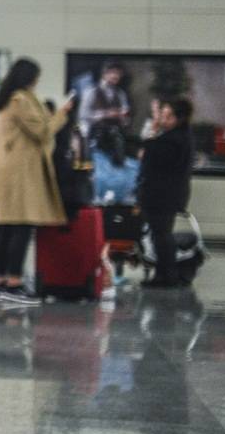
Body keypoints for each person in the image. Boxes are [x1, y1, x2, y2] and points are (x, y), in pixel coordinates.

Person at [0, 58, 71, 307]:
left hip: (6, 173)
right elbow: (42, 132)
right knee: (21, 227)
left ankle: (0, 279)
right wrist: (61, 115)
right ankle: (14, 282)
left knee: (5, 229)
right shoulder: (21, 100)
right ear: (30, 78)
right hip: (20, 175)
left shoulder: (4, 101)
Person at [139, 97, 195, 287]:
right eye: (162, 114)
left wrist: (152, 131)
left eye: (167, 116)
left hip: (161, 195)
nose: (163, 119)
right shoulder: (181, 137)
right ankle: (163, 274)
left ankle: (166, 276)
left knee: (161, 235)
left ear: (178, 118)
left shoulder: (172, 141)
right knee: (161, 233)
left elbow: (147, 155)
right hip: (169, 194)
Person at [78, 62, 133, 143]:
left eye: (119, 73)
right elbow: (83, 115)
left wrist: (122, 117)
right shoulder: (91, 91)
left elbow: (126, 119)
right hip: (94, 137)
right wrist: (105, 114)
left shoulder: (120, 94)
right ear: (105, 74)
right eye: (113, 72)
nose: (116, 76)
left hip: (114, 137)